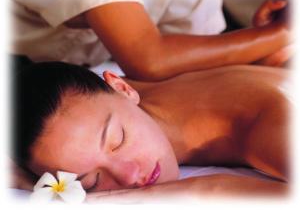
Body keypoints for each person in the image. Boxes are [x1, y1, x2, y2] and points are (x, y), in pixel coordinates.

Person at [11, 56, 291, 201]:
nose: (130, 177)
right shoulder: (113, 95)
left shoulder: (264, 125)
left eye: (118, 140)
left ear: (122, 88)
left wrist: (206, 190)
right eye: (90, 182)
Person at [10, 0, 292, 81]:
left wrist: (265, 45)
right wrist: (280, 32)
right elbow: (149, 59)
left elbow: (193, 73)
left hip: (97, 72)